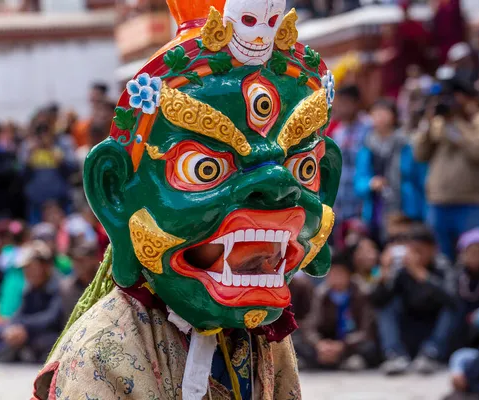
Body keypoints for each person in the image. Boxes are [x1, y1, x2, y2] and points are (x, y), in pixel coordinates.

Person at [32, 1, 343, 398]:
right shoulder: (102, 352)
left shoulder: (264, 337)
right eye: (205, 168)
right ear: (114, 193)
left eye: (303, 168)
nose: (279, 188)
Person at [413, 76, 479, 261]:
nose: (447, 102)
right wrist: (427, 122)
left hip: (470, 204)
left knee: (475, 261)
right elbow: (419, 154)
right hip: (438, 203)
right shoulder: (438, 121)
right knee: (441, 259)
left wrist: (454, 124)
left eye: (452, 97)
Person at [371, 224, 456, 375]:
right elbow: (378, 301)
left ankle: (431, 355)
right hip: (410, 329)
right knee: (387, 305)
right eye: (412, 250)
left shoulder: (443, 266)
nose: (415, 256)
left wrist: (422, 275)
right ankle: (395, 355)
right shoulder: (403, 270)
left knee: (450, 309)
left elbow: (452, 299)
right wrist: (384, 273)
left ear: (433, 249)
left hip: (435, 332)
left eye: (420, 251)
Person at [0, 241, 63, 363]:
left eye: (31, 267)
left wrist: (24, 327)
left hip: (49, 335)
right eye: (25, 269)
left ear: (45, 266)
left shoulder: (59, 288)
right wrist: (13, 327)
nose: (27, 273)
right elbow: (20, 313)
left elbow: (51, 318)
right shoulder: (31, 289)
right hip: (26, 331)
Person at [355, 99, 426, 242]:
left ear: (393, 116)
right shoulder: (367, 144)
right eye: (375, 113)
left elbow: (419, 177)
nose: (379, 117)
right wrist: (371, 183)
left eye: (383, 112)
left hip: (405, 208)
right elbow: (359, 180)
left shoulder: (406, 144)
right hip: (377, 208)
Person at [299, 251, 379, 371]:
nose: (336, 277)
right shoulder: (321, 294)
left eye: (340, 273)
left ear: (349, 275)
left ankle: (348, 360)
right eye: (332, 274)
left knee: (369, 348)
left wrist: (342, 345)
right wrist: (319, 344)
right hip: (327, 342)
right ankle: (327, 359)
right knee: (299, 344)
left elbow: (366, 329)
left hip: (350, 343)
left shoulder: (361, 293)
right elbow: (310, 326)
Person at [328, 85, 371, 227]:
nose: (339, 107)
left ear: (356, 103)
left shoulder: (369, 128)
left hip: (363, 202)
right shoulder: (338, 132)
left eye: (344, 103)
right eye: (338, 103)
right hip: (341, 204)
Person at [21, 123, 74, 225]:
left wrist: (59, 159)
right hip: (37, 204)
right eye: (39, 135)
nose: (43, 138)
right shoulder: (27, 149)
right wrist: (29, 157)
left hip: (60, 202)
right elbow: (21, 175)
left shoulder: (62, 146)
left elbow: (71, 171)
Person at [60, 242, 100, 322]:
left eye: (82, 260)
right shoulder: (66, 287)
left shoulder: (106, 283)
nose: (77, 264)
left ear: (94, 260)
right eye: (75, 260)